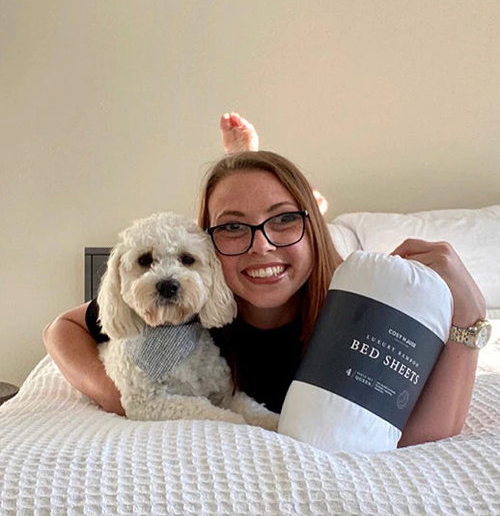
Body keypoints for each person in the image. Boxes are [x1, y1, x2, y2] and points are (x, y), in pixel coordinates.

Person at [43, 113, 487, 446]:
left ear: (311, 227)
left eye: (285, 220)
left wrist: (469, 314)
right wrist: (122, 399)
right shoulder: (181, 312)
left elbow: (421, 434)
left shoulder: (354, 310)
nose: (261, 246)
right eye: (232, 226)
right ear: (209, 244)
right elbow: (61, 330)